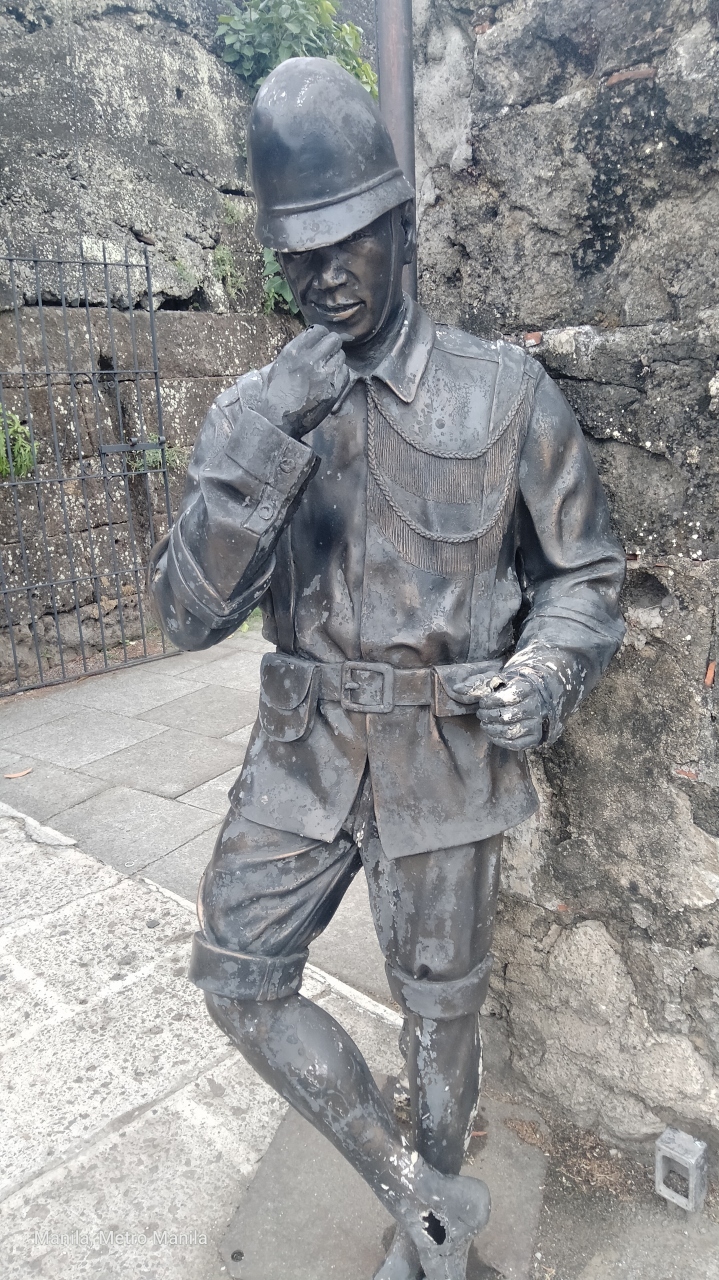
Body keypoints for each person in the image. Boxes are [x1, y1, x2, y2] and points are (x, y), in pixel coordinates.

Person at [148, 57, 625, 1280]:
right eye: (296, 254)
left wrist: (545, 673)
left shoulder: (504, 394)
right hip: (301, 746)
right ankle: (421, 1199)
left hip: (443, 747)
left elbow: (584, 575)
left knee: (439, 1009)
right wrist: (269, 433)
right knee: (235, 974)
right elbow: (183, 614)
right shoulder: (254, 408)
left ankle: (427, 1241)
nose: (322, 276)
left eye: (346, 241)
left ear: (400, 225)